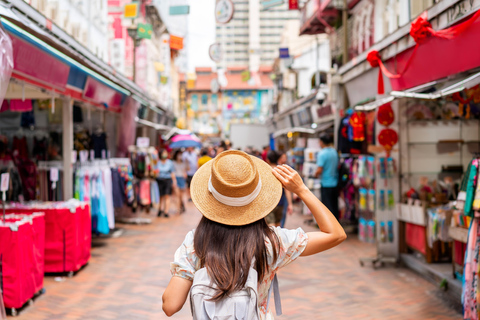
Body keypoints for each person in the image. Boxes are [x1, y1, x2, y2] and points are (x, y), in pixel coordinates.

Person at [162, 150, 346, 318]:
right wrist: (302, 190)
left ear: (211, 198)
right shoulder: (272, 242)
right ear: (257, 199)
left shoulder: (196, 242)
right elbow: (335, 234)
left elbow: (170, 305)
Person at [315, 133, 339, 220]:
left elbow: (319, 169)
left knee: (327, 208)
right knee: (334, 206)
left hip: (326, 184)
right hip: (335, 183)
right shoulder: (334, 152)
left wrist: (315, 174)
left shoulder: (322, 154)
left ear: (321, 142)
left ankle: (331, 227)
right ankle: (337, 225)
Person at [265, 151, 292, 227]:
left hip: (268, 202)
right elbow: (287, 190)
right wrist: (290, 204)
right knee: (278, 226)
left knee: (271, 226)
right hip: (280, 202)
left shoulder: (265, 172)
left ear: (268, 160)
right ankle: (278, 239)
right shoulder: (281, 171)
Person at [156, 149, 177, 218]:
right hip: (159, 180)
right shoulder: (157, 162)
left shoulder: (170, 163)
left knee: (167, 195)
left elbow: (172, 172)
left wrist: (174, 181)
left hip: (167, 180)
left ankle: (166, 211)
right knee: (160, 196)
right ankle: (160, 209)